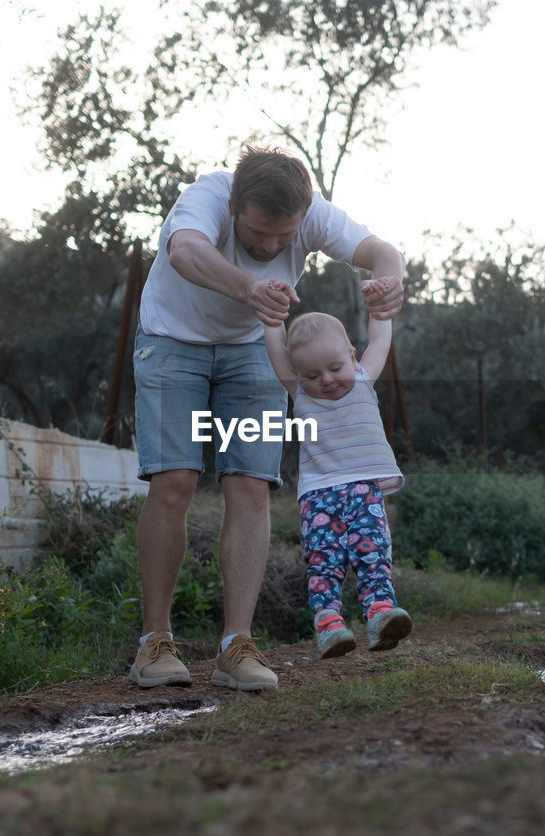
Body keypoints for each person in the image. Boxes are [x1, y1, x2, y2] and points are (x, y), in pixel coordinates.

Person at [128, 145, 404, 692]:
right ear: (234, 204)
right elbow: (184, 252)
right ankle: (154, 644)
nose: (273, 246)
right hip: (170, 342)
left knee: (251, 485)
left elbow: (379, 249)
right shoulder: (206, 196)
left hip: (251, 350)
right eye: (260, 233)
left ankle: (237, 645)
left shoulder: (312, 213)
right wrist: (249, 286)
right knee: (175, 481)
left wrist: (389, 278)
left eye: (286, 236)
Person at [262, 283, 413, 658]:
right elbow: (276, 353)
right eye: (312, 375)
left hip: (363, 489)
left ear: (351, 356)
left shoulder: (362, 379)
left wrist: (378, 307)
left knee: (373, 553)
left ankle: (380, 615)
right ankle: (330, 626)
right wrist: (272, 313)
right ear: (299, 373)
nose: (326, 380)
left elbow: (379, 341)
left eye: (335, 368)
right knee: (323, 560)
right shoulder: (301, 393)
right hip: (319, 496)